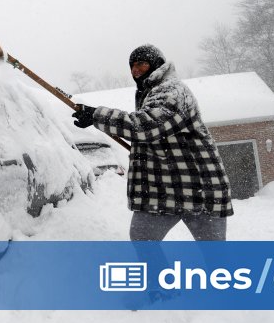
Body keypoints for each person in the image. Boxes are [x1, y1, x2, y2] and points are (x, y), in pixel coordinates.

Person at [71, 44, 233, 241]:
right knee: (143, 239)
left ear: (156, 64)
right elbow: (152, 134)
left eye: (142, 63)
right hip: (164, 191)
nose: (135, 70)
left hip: (200, 188)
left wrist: (97, 115)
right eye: (132, 65)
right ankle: (159, 273)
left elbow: (147, 126)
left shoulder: (172, 91)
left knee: (215, 257)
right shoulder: (151, 93)